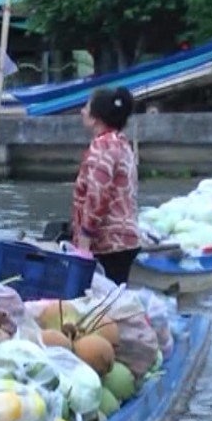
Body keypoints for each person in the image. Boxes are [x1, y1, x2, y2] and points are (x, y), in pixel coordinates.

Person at [71, 86, 141, 284]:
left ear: (96, 117)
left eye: (86, 106)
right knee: (114, 303)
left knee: (101, 308)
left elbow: (98, 195)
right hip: (124, 240)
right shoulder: (122, 143)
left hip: (107, 244)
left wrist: (85, 238)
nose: (82, 111)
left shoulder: (102, 146)